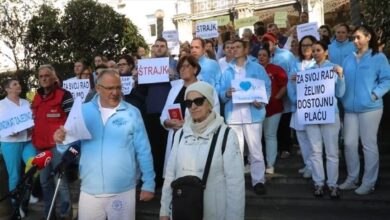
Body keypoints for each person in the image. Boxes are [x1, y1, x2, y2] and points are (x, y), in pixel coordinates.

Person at [54, 69, 155, 220]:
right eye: (110, 88)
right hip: (90, 190)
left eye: (118, 87)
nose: (115, 92)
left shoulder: (133, 112)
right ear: (98, 88)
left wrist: (149, 183)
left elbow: (144, 150)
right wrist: (61, 141)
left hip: (123, 190)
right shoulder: (82, 111)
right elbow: (70, 146)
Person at [160, 81, 245, 220]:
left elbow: (235, 184)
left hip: (214, 212)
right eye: (188, 103)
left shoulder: (226, 135)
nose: (193, 106)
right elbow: (170, 174)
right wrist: (164, 210)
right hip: (183, 210)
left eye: (198, 101)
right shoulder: (180, 134)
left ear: (210, 104)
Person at [340, 25, 390, 195]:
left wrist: (374, 95)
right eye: (353, 38)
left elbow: (387, 80)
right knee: (349, 144)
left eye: (358, 37)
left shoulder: (379, 57)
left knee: (368, 145)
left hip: (371, 108)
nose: (355, 41)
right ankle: (352, 179)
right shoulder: (348, 59)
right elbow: (342, 80)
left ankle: (369, 182)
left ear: (368, 37)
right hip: (350, 109)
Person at [219, 39, 271, 195]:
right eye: (232, 47)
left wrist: (261, 101)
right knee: (236, 152)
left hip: (253, 115)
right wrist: (226, 94)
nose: (234, 50)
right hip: (233, 115)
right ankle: (236, 182)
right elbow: (221, 93)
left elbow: (267, 87)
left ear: (246, 49)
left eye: (237, 47)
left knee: (255, 150)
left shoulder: (257, 68)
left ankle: (259, 181)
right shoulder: (227, 71)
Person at [160, 55, 220, 176]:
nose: (183, 69)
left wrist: (187, 124)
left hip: (196, 137)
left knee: (193, 174)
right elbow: (164, 114)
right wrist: (167, 122)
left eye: (186, 66)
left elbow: (215, 114)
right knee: (175, 174)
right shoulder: (174, 89)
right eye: (180, 67)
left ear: (195, 69)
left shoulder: (207, 89)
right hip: (175, 137)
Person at [31, 64, 73, 219]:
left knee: (61, 183)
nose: (44, 78)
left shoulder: (64, 95)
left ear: (54, 77)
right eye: (41, 76)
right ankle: (49, 214)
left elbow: (72, 120)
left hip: (58, 147)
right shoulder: (36, 97)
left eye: (47, 75)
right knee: (45, 183)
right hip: (40, 147)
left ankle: (65, 213)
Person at [306, 40, 345, 198]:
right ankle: (318, 183)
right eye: (313, 51)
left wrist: (341, 76)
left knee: (331, 152)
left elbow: (340, 93)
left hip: (330, 113)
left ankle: (333, 184)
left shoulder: (333, 68)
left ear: (325, 51)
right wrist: (297, 82)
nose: (315, 53)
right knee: (315, 151)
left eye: (318, 50)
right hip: (311, 114)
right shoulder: (308, 71)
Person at [0, 78, 37, 217]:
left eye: (19, 83)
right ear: (7, 89)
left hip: (27, 140)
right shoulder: (1, 105)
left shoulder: (26, 102)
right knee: (14, 176)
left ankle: (28, 194)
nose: (18, 86)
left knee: (34, 165)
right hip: (10, 143)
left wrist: (31, 125)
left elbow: (29, 120)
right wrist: (9, 130)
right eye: (14, 84)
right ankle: (17, 207)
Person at [144, 37, 177, 188]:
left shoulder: (174, 65)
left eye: (162, 46)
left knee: (168, 147)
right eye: (156, 46)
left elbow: (182, 83)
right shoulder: (145, 66)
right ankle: (156, 178)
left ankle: (167, 178)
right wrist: (136, 79)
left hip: (168, 113)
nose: (159, 48)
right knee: (153, 146)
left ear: (167, 48)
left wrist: (174, 77)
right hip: (152, 111)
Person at [262, 32, 296, 161]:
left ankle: (285, 148)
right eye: (264, 42)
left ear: (275, 42)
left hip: (285, 95)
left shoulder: (287, 55)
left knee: (284, 123)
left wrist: (286, 91)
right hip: (269, 100)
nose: (266, 45)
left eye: (268, 42)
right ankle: (272, 151)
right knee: (270, 128)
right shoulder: (261, 56)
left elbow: (292, 72)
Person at [288, 35, 317, 178]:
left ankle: (313, 166)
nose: (306, 48)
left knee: (312, 138)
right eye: (303, 45)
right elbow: (290, 84)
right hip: (298, 106)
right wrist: (295, 99)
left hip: (313, 108)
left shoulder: (318, 63)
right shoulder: (295, 63)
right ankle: (308, 164)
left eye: (309, 45)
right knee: (302, 138)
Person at [258, 47, 287, 174]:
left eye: (264, 55)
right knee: (256, 138)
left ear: (269, 57)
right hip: (256, 109)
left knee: (270, 135)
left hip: (273, 108)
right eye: (259, 55)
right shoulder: (253, 69)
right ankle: (255, 164)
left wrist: (276, 98)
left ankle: (270, 164)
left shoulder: (276, 69)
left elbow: (284, 86)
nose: (261, 57)